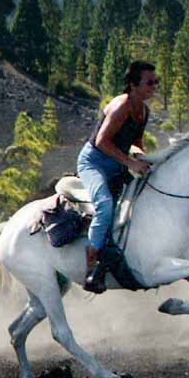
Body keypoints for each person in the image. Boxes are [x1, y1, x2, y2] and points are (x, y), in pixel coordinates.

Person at [77, 60, 158, 293]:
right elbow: (102, 141)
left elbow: (136, 143)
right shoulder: (120, 106)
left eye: (156, 82)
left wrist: (144, 159)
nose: (154, 86)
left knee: (144, 199)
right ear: (133, 85)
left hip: (117, 164)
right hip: (94, 163)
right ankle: (92, 264)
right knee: (104, 204)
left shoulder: (143, 110)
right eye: (149, 82)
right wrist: (131, 163)